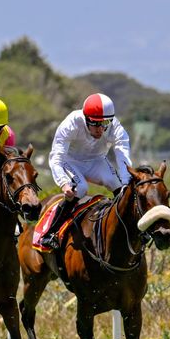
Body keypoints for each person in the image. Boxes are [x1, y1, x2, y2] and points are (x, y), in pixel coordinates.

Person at [40, 92, 133, 249]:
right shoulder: (71, 123)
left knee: (120, 186)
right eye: (96, 124)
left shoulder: (114, 126)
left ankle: (129, 228)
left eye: (105, 124)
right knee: (81, 188)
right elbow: (57, 157)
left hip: (97, 161)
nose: (100, 130)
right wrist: (63, 183)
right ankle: (51, 232)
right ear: (85, 119)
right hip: (71, 161)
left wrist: (126, 182)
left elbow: (123, 155)